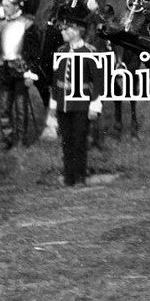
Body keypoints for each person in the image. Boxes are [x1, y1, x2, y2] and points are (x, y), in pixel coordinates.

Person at [51, 16, 107, 186]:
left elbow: (99, 81)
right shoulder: (61, 51)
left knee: (79, 141)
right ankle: (69, 178)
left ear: (76, 31)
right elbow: (55, 80)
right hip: (63, 103)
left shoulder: (90, 52)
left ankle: (80, 178)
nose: (62, 32)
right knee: (66, 141)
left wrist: (95, 104)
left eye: (65, 29)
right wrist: (54, 103)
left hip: (82, 104)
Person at [0, 0, 33, 149]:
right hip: (3, 71)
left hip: (20, 69)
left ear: (17, 6)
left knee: (20, 105)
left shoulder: (27, 24)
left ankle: (21, 138)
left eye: (8, 6)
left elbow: (32, 51)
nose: (5, 9)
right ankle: (7, 137)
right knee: (4, 106)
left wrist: (30, 71)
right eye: (3, 6)